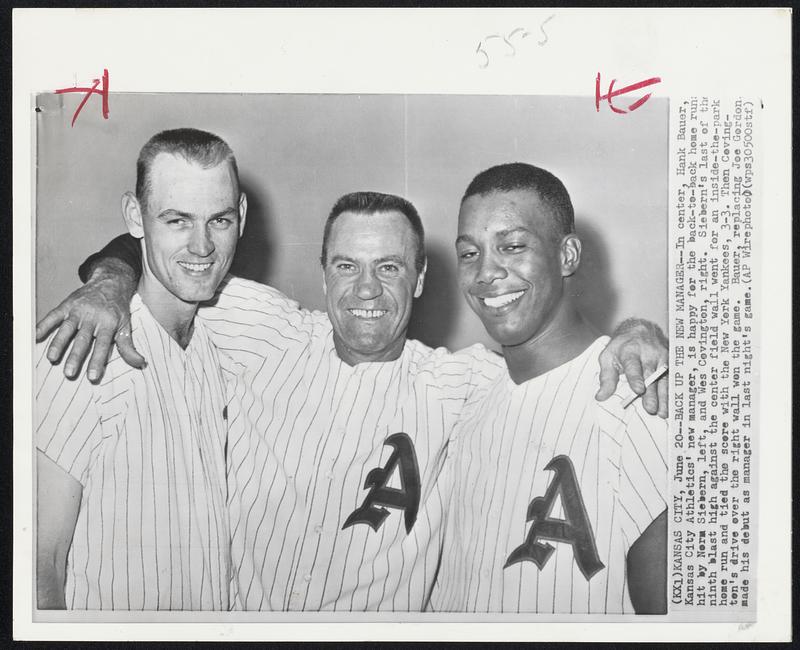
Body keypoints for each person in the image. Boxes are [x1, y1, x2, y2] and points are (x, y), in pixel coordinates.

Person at [36, 188, 669, 610]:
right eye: (346, 266)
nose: (365, 289)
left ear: (420, 278)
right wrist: (111, 280)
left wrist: (638, 333)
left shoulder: (464, 383)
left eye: (389, 267)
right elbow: (169, 261)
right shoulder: (265, 329)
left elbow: (562, 358)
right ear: (322, 274)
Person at [430, 163, 668, 614]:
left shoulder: (635, 398)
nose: (486, 272)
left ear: (568, 256)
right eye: (469, 253)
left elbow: (679, 628)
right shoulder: (469, 398)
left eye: (513, 246)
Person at [35, 128, 248, 610]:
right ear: (135, 216)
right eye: (176, 220)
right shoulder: (79, 349)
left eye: (219, 220)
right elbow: (35, 569)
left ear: (242, 217)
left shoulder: (230, 337)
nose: (202, 247)